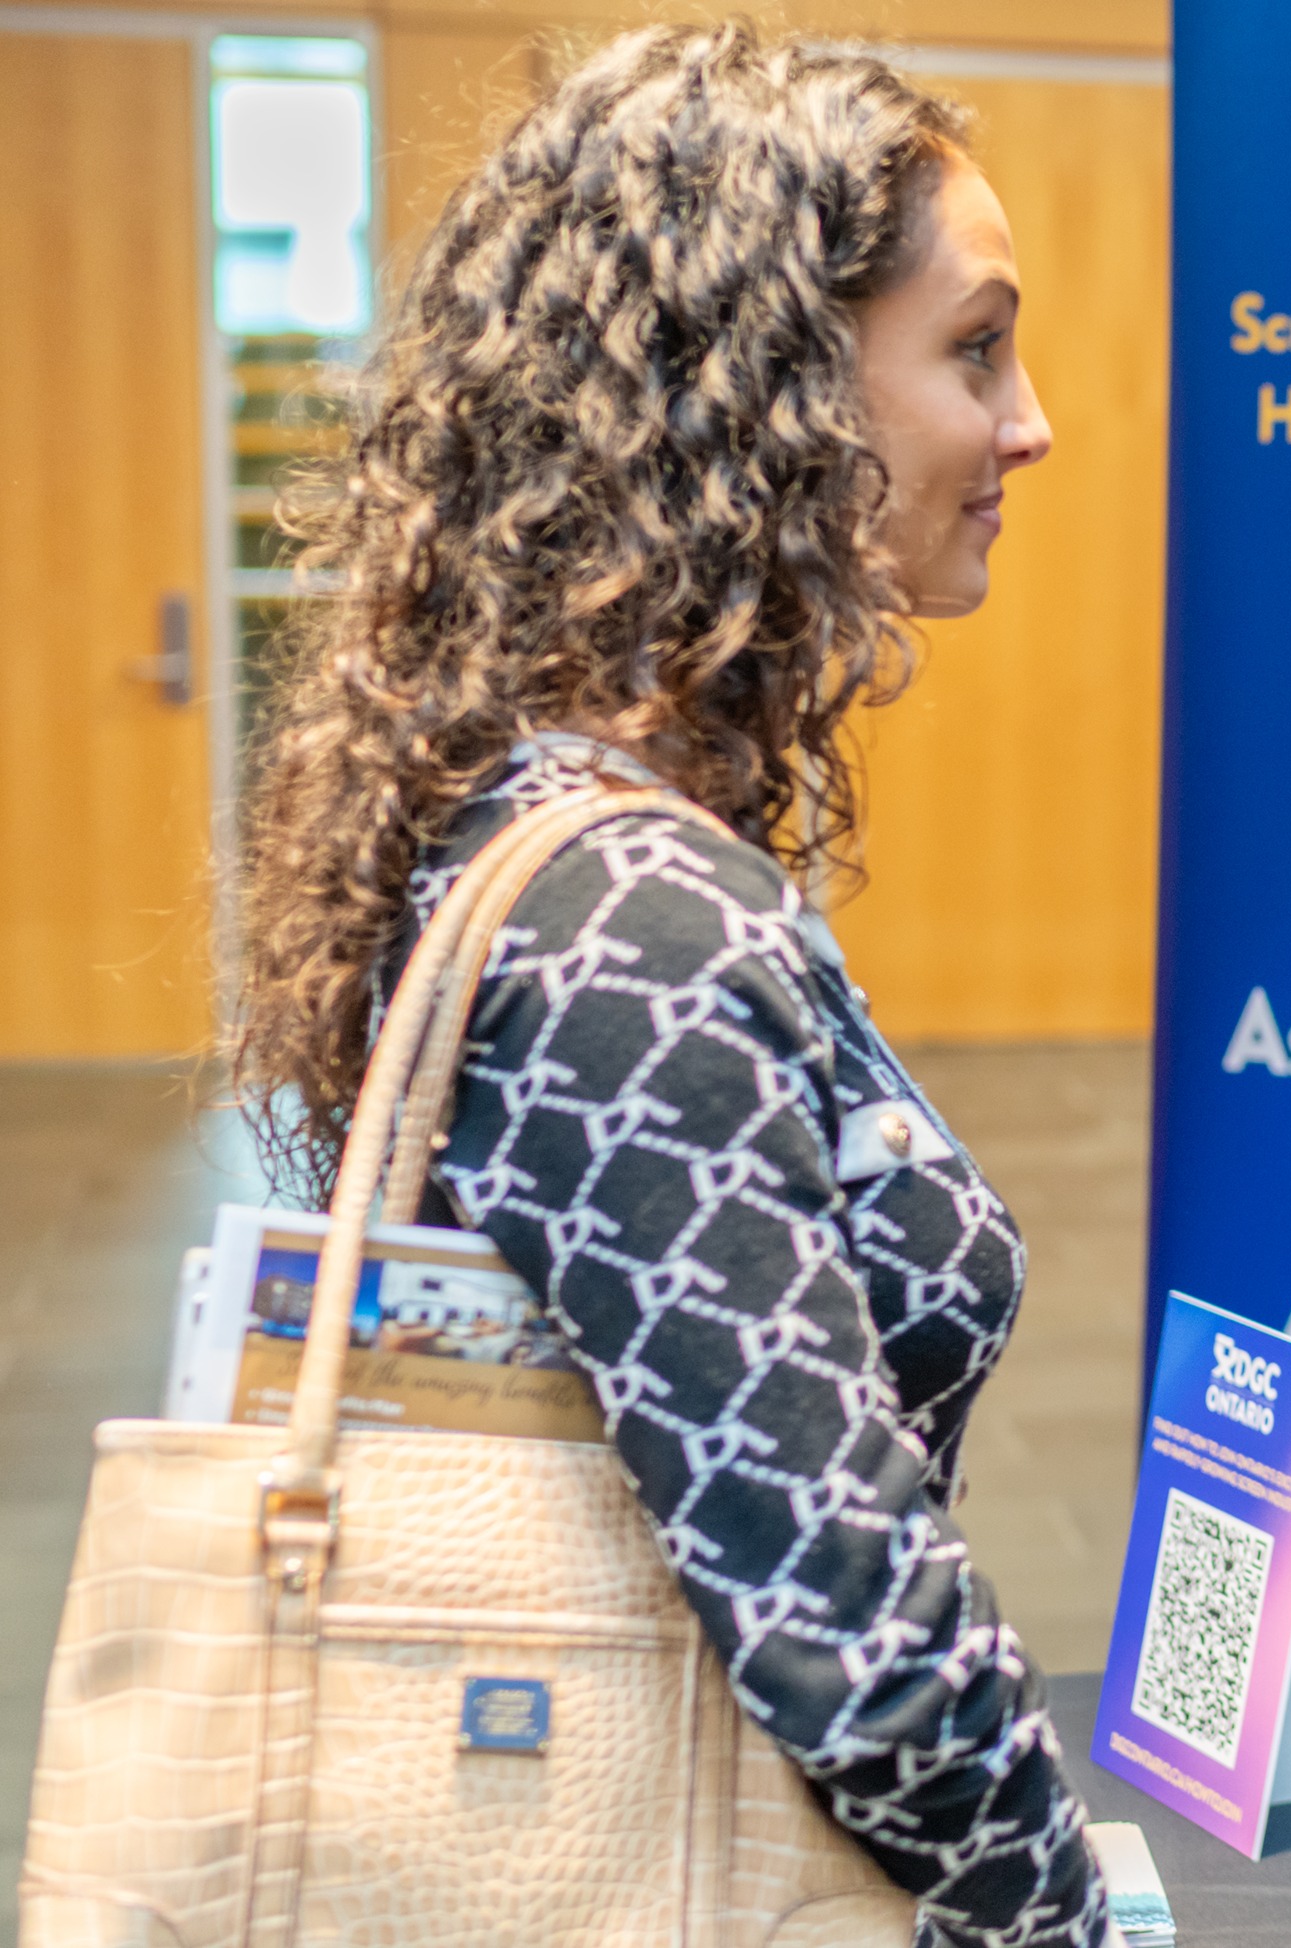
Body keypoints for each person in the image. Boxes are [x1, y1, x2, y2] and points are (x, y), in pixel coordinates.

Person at [229, 26, 1098, 1946]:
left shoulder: (576, 816)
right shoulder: (627, 916)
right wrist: (1067, 1922)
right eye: (974, 349)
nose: (1028, 421)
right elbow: (859, 1650)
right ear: (774, 390)